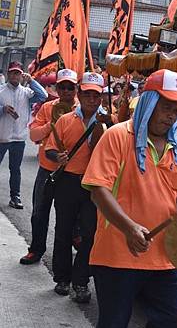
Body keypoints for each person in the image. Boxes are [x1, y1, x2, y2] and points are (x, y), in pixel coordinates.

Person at [83, 69, 177, 328]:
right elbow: (98, 190)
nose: (171, 114)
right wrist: (129, 227)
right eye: (165, 106)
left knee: (176, 317)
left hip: (164, 256)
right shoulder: (118, 137)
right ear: (148, 102)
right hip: (119, 253)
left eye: (176, 108)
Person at [45, 72, 107, 302]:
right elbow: (49, 149)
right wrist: (57, 157)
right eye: (88, 94)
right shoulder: (65, 120)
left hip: (93, 185)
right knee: (63, 230)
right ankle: (62, 277)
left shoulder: (107, 123)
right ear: (80, 95)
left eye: (96, 95)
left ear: (101, 98)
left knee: (90, 234)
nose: (92, 99)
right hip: (68, 182)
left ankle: (81, 281)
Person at [19, 69, 79, 265]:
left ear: (76, 89)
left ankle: (65, 256)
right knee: (39, 212)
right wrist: (52, 124)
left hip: (71, 172)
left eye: (70, 87)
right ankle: (36, 249)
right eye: (62, 86)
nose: (66, 91)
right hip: (47, 169)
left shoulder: (82, 109)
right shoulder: (47, 108)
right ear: (56, 88)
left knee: (67, 217)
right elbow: (34, 135)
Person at [0, 61, 48, 209]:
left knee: (15, 169)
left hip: (19, 138)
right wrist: (3, 109)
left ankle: (15, 196)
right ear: (8, 74)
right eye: (13, 73)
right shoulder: (1, 90)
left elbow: (43, 95)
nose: (15, 76)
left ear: (22, 76)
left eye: (18, 73)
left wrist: (32, 81)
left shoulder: (27, 93)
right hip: (2, 136)